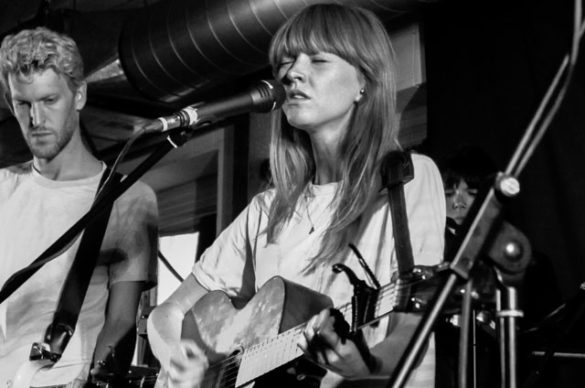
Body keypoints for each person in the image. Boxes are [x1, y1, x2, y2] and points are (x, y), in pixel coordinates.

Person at [147, 4, 445, 388]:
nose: (292, 73)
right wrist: (179, 361)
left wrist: (362, 363)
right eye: (286, 61)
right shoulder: (266, 210)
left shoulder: (407, 179)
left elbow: (413, 328)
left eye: (318, 60)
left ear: (364, 83)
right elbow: (166, 313)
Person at [0, 27, 158, 387]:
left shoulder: (129, 197)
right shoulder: (2, 187)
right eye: (23, 104)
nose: (35, 119)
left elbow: (121, 323)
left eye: (49, 100)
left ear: (80, 95)